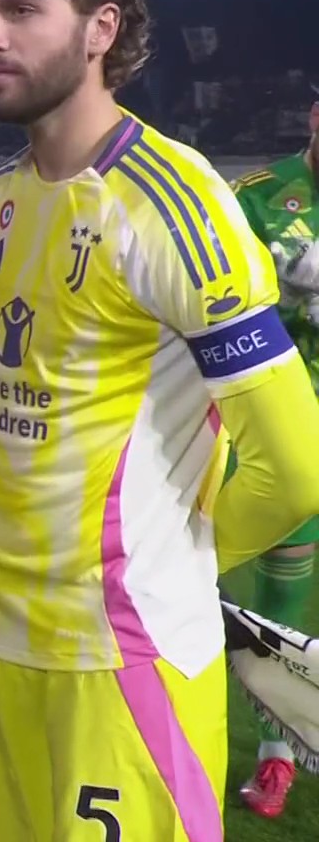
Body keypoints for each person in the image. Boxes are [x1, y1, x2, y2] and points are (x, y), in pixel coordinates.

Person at [0, 0, 319, 841]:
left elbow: (296, 471)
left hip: (117, 660)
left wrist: (175, 565)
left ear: (102, 29)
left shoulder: (176, 204)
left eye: (21, 10)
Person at [229, 97, 319, 818]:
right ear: (315, 118)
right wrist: (286, 301)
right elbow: (217, 305)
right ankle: (276, 753)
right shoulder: (258, 197)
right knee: (284, 585)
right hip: (289, 419)